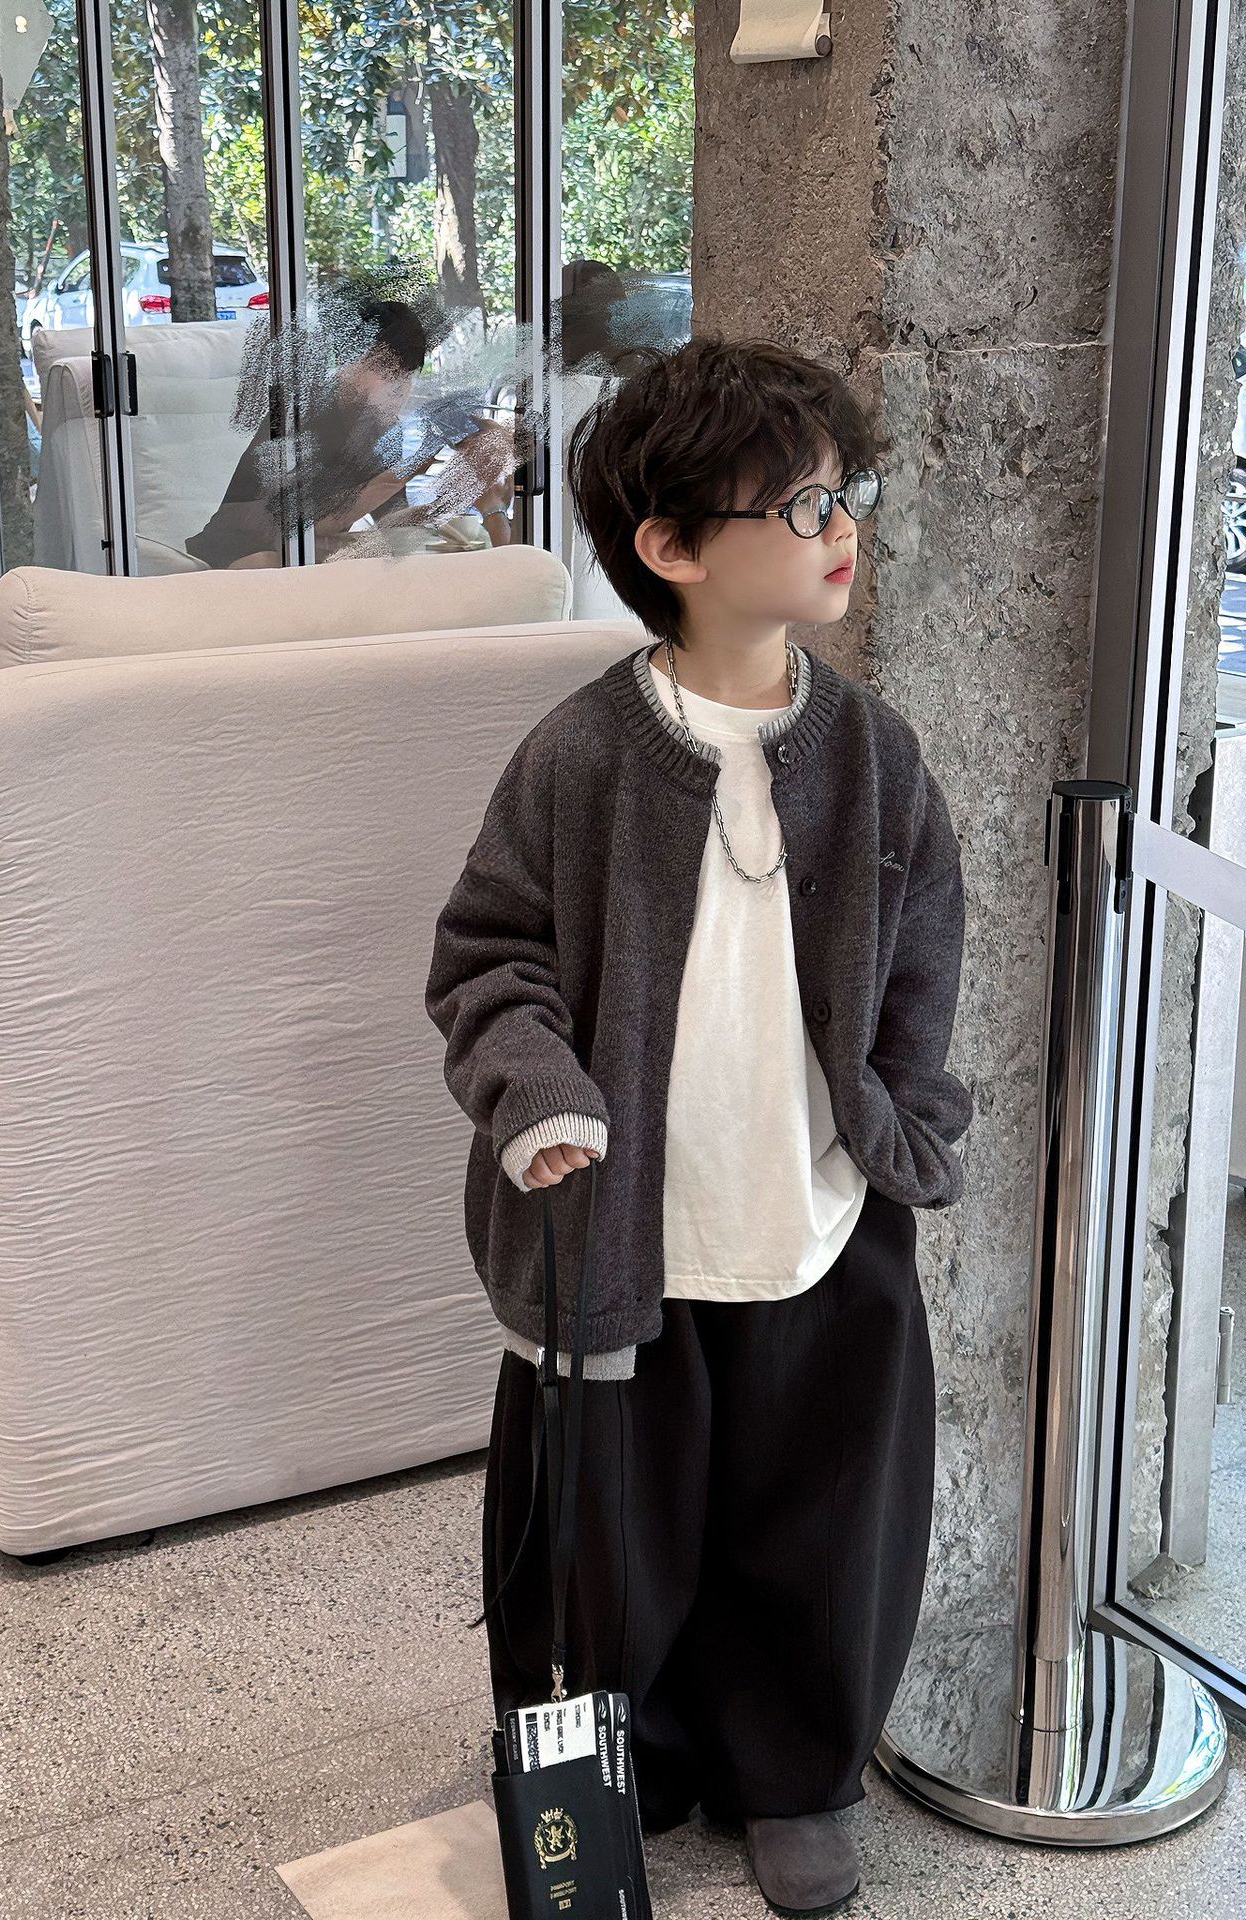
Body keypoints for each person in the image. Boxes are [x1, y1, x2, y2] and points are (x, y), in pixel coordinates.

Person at [423, 336, 972, 1915]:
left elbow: (925, 953)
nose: (842, 527)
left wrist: (903, 1115)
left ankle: (793, 1774)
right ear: (670, 547)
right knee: (608, 1528)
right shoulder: (583, 756)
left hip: (816, 1213)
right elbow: (487, 959)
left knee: (824, 1515)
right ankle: (620, 1769)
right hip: (621, 1232)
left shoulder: (873, 753)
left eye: (849, 491)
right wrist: (539, 1095)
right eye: (800, 505)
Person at [186, 289, 516, 568]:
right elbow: (303, 526)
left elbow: (392, 525)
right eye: (384, 371)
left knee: (421, 550)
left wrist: (470, 501)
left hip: (297, 555)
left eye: (406, 374)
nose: (398, 388)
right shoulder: (303, 413)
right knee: (270, 562)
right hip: (240, 552)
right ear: (348, 361)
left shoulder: (384, 430)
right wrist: (413, 464)